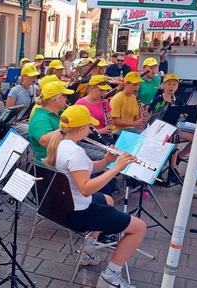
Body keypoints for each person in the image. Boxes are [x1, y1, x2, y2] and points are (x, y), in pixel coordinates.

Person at [42, 105, 146, 288]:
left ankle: (87, 252)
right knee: (139, 227)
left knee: (107, 200)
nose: (92, 129)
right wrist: (116, 168)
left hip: (63, 206)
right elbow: (85, 188)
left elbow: (88, 169)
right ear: (81, 129)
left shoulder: (61, 143)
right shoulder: (75, 152)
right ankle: (110, 277)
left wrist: (107, 161)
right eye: (90, 126)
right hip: (78, 213)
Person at [148, 74, 193, 170]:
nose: (171, 87)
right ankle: (172, 167)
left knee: (196, 139)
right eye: (169, 84)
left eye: (174, 85)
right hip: (160, 129)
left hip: (175, 128)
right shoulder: (159, 100)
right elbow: (153, 118)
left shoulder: (179, 101)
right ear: (164, 85)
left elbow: (182, 117)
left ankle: (178, 157)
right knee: (174, 138)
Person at [28, 81, 74, 163]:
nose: (66, 98)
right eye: (64, 96)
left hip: (67, 151)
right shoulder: (39, 119)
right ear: (54, 99)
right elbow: (44, 141)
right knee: (98, 157)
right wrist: (67, 127)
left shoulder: (60, 111)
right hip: (53, 162)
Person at [76, 75, 114, 141]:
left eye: (105, 90)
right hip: (88, 136)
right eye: (101, 90)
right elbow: (78, 128)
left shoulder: (104, 102)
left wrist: (110, 123)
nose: (104, 93)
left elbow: (110, 121)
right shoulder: (81, 103)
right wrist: (100, 131)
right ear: (92, 88)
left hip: (103, 134)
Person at [5, 64, 40, 138]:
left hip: (27, 121)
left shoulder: (34, 89)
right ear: (24, 76)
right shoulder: (15, 91)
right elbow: (7, 112)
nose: (34, 79)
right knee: (33, 132)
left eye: (35, 76)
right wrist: (18, 119)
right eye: (32, 76)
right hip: (15, 123)